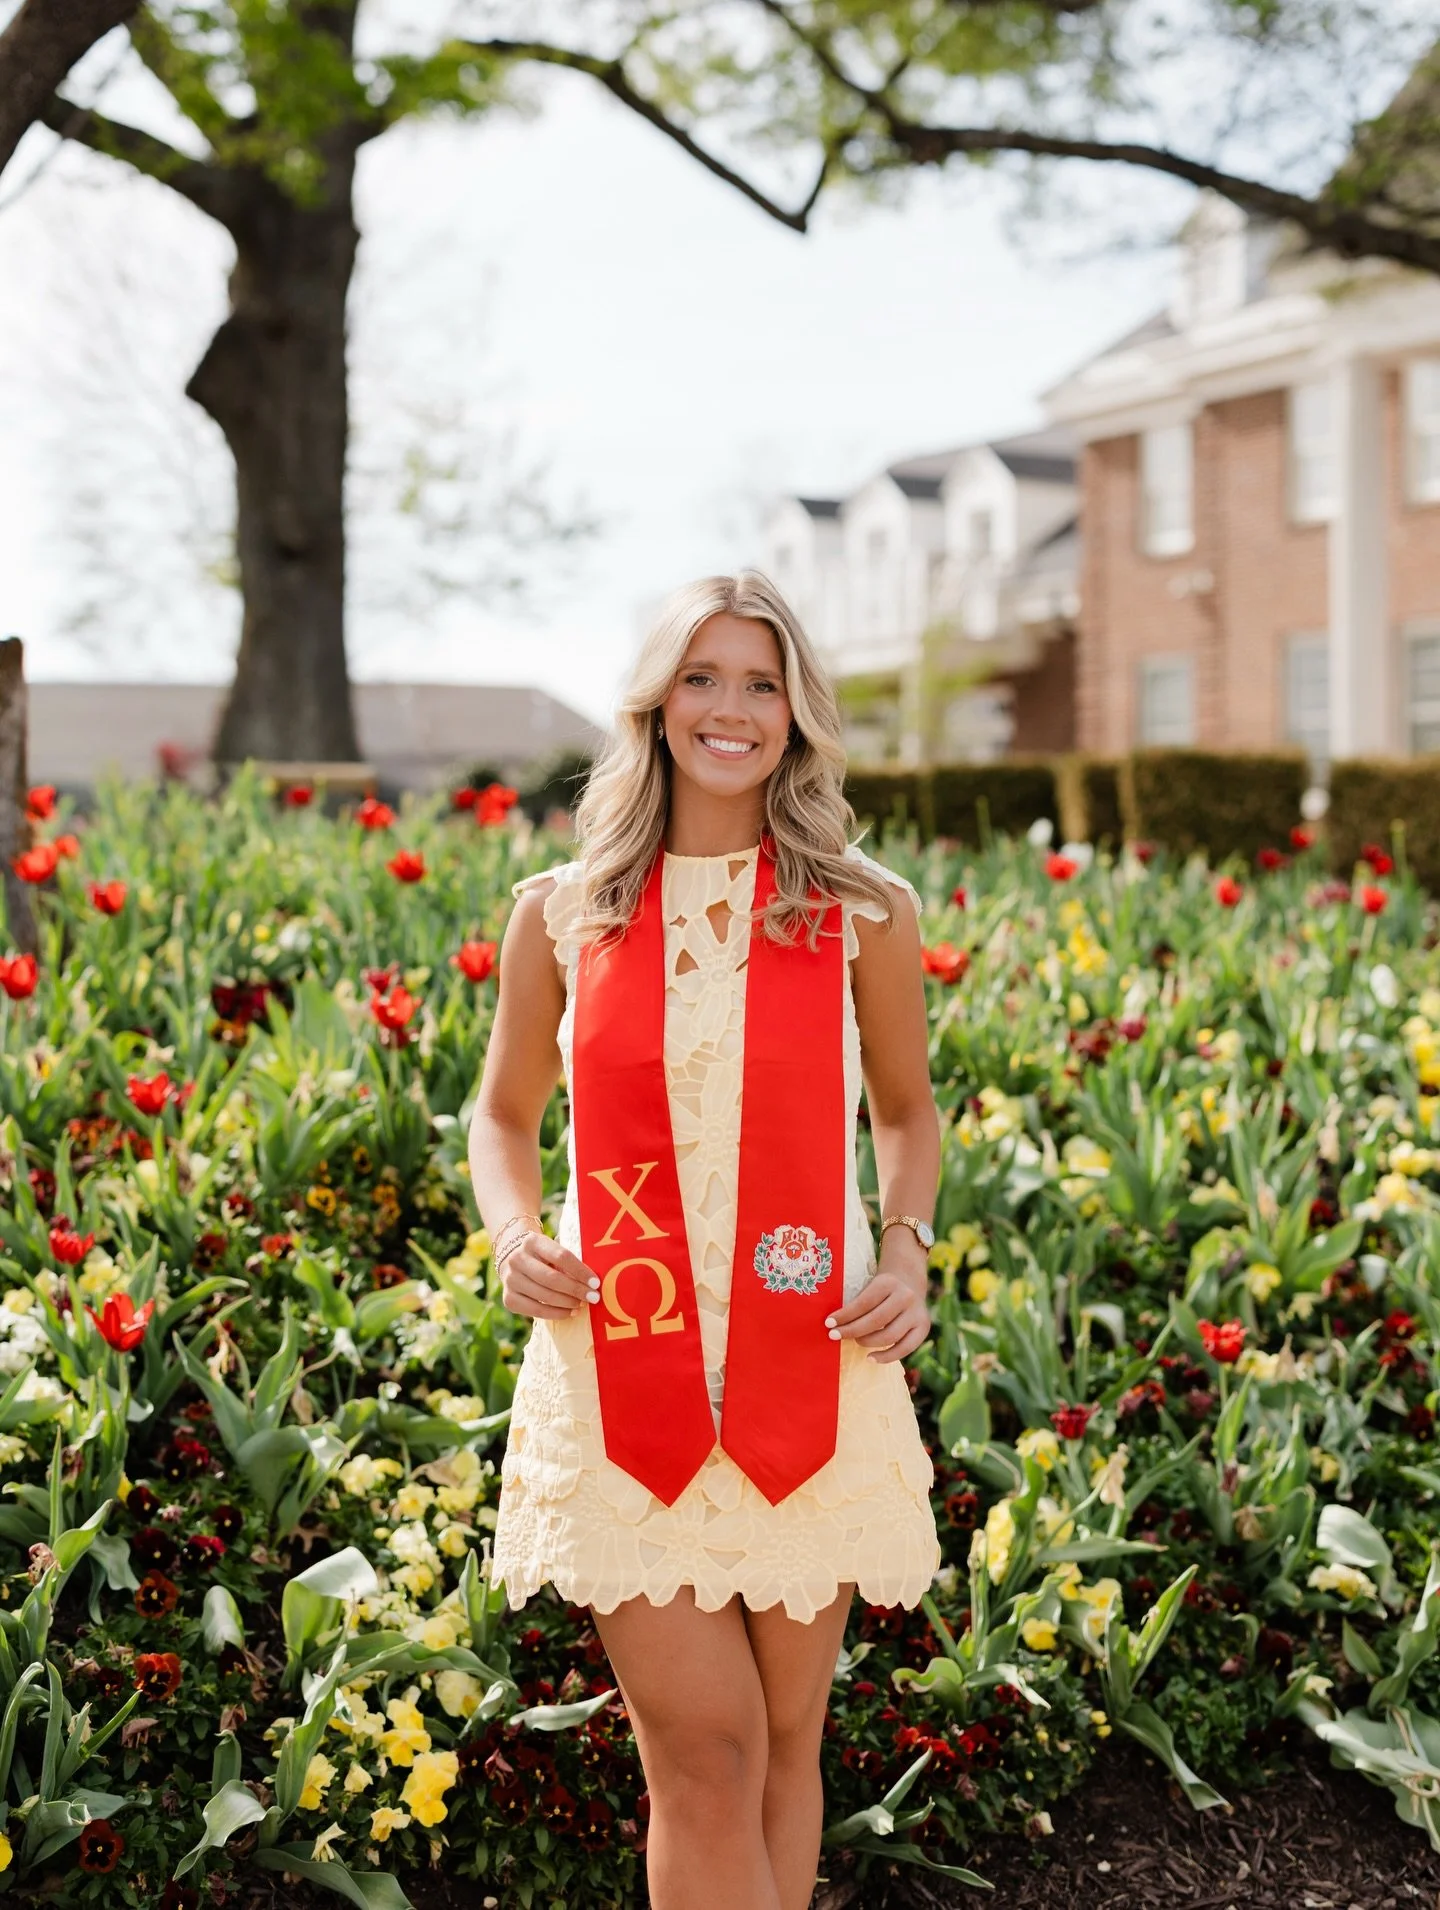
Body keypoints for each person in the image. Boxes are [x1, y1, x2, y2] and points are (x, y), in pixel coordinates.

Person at [468, 570, 941, 1910]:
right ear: (656, 700)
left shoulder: (862, 911)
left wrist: (903, 1253)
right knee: (707, 1747)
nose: (730, 708)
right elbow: (500, 1116)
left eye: (760, 681)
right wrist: (513, 1233)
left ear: (796, 712)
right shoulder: (562, 912)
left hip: (815, 1363)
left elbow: (909, 1114)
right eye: (702, 676)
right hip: (624, 1378)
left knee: (789, 1749)